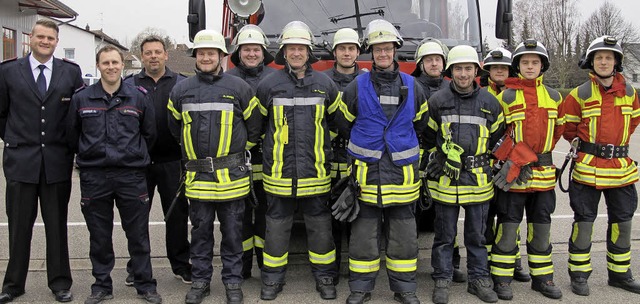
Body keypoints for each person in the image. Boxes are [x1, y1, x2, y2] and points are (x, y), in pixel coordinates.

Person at [334, 19, 428, 304]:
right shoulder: (356, 86)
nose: (383, 54)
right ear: (371, 53)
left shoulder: (414, 87)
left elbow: (420, 124)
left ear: (395, 51)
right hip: (367, 178)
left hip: (402, 179)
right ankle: (361, 288)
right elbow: (344, 123)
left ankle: (404, 289)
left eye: (387, 49)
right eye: (378, 50)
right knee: (363, 237)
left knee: (404, 238)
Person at [167, 29, 262, 304]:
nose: (206, 57)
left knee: (233, 234)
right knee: (200, 233)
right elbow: (175, 128)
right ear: (195, 56)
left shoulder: (239, 88)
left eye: (212, 53)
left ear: (222, 56)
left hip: (232, 176)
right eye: (202, 53)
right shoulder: (181, 90)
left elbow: (254, 128)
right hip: (198, 177)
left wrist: (237, 153)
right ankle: (200, 281)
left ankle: (233, 282)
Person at [67, 45, 161, 304]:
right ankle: (101, 285)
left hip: (131, 176)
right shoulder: (82, 98)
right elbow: (72, 136)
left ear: (123, 65)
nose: (111, 67)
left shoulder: (138, 97)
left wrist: (132, 155)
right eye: (105, 63)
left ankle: (145, 285)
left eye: (115, 62)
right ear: (98, 66)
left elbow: (149, 134)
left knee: (138, 235)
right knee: (99, 235)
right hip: (94, 176)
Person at [255, 21, 340, 301]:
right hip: (278, 174)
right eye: (291, 48)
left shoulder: (324, 84)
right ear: (284, 52)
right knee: (277, 228)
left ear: (308, 52)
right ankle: (272, 279)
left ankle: (325, 276)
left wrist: (320, 148)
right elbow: (258, 127)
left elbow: (336, 123)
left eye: (301, 48)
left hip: (315, 172)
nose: (296, 53)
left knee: (320, 227)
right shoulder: (268, 85)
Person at [0, 19, 83, 304]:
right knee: (19, 226)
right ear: (30, 39)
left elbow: (76, 116)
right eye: (41, 37)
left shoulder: (70, 73)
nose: (45, 41)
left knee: (57, 225)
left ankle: (60, 282)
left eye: (51, 38)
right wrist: (18, 140)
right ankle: (13, 284)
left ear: (56, 42)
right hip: (21, 162)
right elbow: (2, 115)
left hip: (57, 163)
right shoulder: (8, 72)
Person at [425, 45, 503, 304]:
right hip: (446, 180)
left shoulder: (490, 102)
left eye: (468, 68)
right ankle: (442, 279)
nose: (463, 74)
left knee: (477, 236)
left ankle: (479, 280)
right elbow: (427, 137)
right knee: (444, 236)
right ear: (451, 72)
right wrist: (435, 158)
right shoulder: (437, 101)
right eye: (458, 69)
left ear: (476, 71)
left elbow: (498, 139)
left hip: (479, 180)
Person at [563, 36, 640, 296]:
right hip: (588, 168)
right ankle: (579, 275)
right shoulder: (579, 94)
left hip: (620, 170)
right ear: (591, 62)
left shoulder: (630, 93)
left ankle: (620, 275)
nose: (604, 62)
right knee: (584, 223)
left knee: (623, 222)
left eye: (609, 57)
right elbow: (568, 128)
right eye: (599, 58)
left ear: (616, 62)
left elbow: (633, 123)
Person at [489, 39, 564, 301]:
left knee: (541, 229)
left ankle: (542, 279)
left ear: (542, 65)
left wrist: (536, 154)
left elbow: (559, 132)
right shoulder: (505, 96)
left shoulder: (555, 97)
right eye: (525, 62)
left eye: (535, 62)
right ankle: (501, 279)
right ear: (517, 66)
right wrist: (514, 159)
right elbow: (495, 135)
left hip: (543, 176)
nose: (530, 66)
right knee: (508, 228)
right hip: (514, 175)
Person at [123, 35, 191, 286]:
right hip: (139, 163)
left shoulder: (182, 84)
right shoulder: (128, 85)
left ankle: (181, 265)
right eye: (148, 52)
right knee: (137, 218)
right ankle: (137, 267)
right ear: (142, 56)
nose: (153, 56)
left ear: (166, 55)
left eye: (157, 52)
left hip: (173, 161)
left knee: (177, 216)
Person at [410, 37, 467, 284]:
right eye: (429, 60)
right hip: (416, 160)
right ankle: (409, 263)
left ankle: (450, 264)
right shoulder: (410, 86)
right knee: (411, 217)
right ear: (420, 63)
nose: (434, 63)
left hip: (445, 163)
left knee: (445, 218)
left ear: (444, 63)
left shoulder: (452, 88)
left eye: (438, 59)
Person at [225, 24, 276, 280]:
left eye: (256, 49)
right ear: (239, 52)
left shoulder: (274, 78)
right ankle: (243, 267)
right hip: (237, 159)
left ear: (263, 52)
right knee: (239, 216)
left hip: (267, 157)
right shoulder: (228, 78)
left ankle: (266, 266)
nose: (251, 54)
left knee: (267, 214)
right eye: (247, 49)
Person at [480, 47, 530, 283]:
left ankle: (513, 259)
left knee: (510, 217)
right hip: (488, 165)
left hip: (514, 164)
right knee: (487, 217)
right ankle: (489, 261)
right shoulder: (480, 95)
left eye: (504, 67)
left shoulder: (520, 95)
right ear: (488, 70)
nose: (499, 71)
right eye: (494, 67)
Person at [322, 27, 364, 285]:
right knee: (332, 219)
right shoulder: (322, 81)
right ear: (334, 52)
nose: (346, 53)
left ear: (358, 52)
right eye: (342, 49)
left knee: (359, 219)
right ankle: (333, 270)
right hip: (330, 156)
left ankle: (358, 270)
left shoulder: (367, 81)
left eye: (351, 48)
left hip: (359, 158)